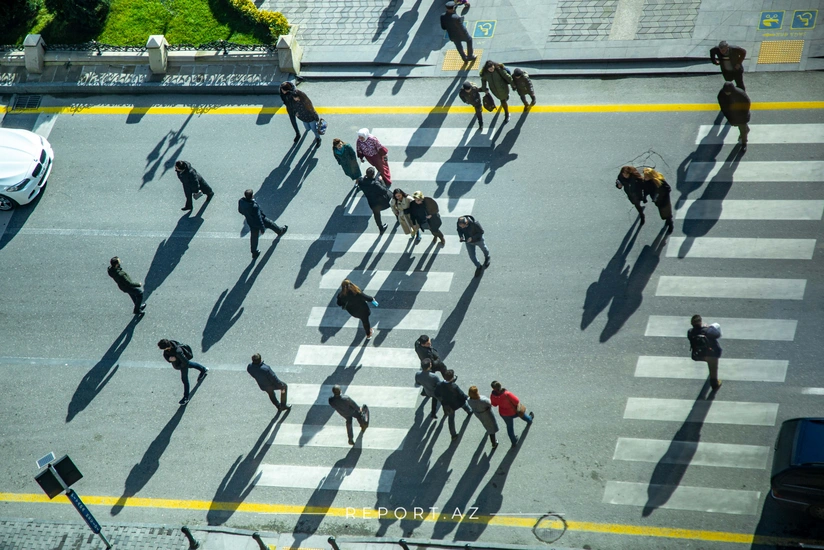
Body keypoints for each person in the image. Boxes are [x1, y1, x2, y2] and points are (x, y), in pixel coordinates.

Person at [238, 189, 288, 259]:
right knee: (270, 223)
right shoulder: (254, 206)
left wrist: (247, 214)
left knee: (254, 237)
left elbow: (240, 211)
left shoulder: (241, 201)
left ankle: (254, 252)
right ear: (252, 196)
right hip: (260, 220)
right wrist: (262, 228)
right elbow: (259, 218)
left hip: (250, 221)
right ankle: (280, 231)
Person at [158, 338, 208, 405]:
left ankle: (186, 397)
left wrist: (180, 366)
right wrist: (169, 359)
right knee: (191, 364)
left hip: (182, 365)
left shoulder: (178, 352)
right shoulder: (170, 344)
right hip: (179, 363)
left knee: (184, 380)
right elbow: (165, 354)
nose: (164, 350)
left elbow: (186, 362)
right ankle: (203, 369)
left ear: (167, 347)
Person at [490, 381, 533, 447]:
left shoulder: (493, 395)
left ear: (493, 388)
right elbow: (516, 401)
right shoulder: (507, 394)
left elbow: (494, 404)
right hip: (513, 411)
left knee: (509, 427)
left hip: (503, 413)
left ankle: (514, 441)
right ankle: (529, 420)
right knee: (522, 415)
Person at [279, 81, 322, 148]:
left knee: (314, 129)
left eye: (295, 98)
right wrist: (296, 113)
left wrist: (315, 117)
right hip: (303, 117)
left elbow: (311, 108)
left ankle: (318, 138)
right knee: (307, 128)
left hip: (310, 117)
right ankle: (299, 133)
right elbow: (287, 102)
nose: (294, 99)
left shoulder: (302, 101)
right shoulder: (294, 102)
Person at [434, 370, 472, 441]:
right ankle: (469, 412)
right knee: (465, 406)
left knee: (451, 419)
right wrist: (468, 398)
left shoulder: (439, 385)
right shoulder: (454, 386)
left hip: (448, 405)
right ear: (452, 378)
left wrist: (442, 400)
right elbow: (462, 395)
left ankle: (453, 435)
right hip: (458, 403)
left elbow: (436, 394)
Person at [688, 315, 723, 391]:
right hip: (711, 354)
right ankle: (715, 384)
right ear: (701, 322)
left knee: (710, 363)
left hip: (698, 355)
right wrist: (709, 327)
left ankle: (712, 377)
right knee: (713, 369)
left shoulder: (690, 332)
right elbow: (718, 334)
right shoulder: (708, 331)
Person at [356, 167, 393, 234]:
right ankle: (398, 215)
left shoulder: (361, 181)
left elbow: (361, 182)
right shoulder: (375, 184)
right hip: (382, 201)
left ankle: (381, 228)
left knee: (376, 215)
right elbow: (384, 191)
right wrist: (381, 181)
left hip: (372, 203)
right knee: (392, 197)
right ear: (373, 174)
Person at [717, 81, 751, 152]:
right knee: (742, 127)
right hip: (732, 115)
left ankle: (744, 143)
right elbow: (723, 107)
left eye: (728, 92)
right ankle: (746, 130)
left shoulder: (740, 93)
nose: (727, 93)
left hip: (742, 115)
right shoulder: (721, 94)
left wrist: (743, 115)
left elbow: (747, 103)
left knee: (742, 129)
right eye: (726, 92)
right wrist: (729, 117)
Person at [643, 168, 673, 233]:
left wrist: (660, 194)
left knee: (667, 212)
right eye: (644, 176)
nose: (644, 178)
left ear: (651, 176)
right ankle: (668, 220)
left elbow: (668, 189)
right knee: (662, 211)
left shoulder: (659, 181)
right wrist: (644, 197)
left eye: (646, 176)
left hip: (664, 200)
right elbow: (646, 190)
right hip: (657, 201)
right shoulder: (646, 182)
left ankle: (670, 223)